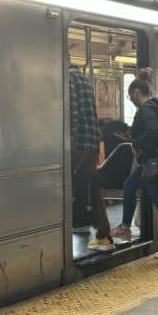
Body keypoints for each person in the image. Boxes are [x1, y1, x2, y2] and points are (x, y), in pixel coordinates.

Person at [111, 68, 158, 260]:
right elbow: (155, 131)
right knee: (130, 185)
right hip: (155, 161)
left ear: (136, 93)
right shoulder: (157, 107)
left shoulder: (145, 110)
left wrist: (136, 142)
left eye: (130, 96)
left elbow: (153, 133)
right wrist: (133, 136)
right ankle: (125, 227)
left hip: (155, 163)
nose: (131, 100)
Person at [68, 62, 114, 252]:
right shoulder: (82, 78)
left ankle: (83, 224)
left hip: (78, 144)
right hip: (91, 143)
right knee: (92, 189)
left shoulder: (68, 77)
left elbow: (73, 113)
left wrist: (69, 143)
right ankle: (104, 234)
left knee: (74, 189)